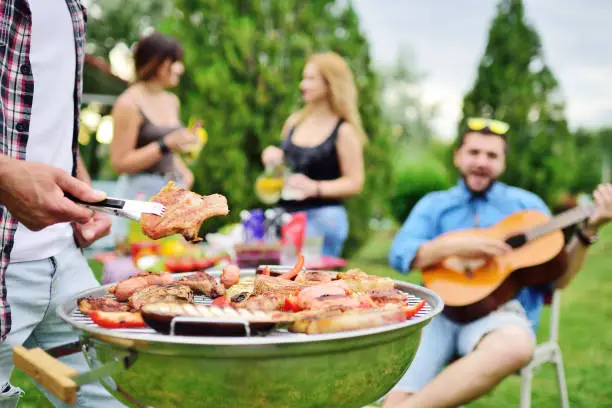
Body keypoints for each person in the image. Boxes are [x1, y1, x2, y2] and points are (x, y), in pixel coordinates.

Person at [383, 118, 612, 408]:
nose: (482, 162)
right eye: (474, 152)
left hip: (499, 315)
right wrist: (454, 245)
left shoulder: (527, 207)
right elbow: (399, 254)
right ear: (458, 156)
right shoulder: (434, 204)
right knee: (396, 397)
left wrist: (589, 230)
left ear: (503, 162)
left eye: (492, 155)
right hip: (437, 313)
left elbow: (559, 279)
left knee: (516, 346)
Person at [0, 1, 127, 407]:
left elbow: (48, 117)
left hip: (65, 262)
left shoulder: (70, 5)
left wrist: (80, 183)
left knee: (116, 398)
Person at [260, 52, 366, 257]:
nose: (302, 85)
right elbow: (285, 171)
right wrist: (273, 158)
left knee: (303, 278)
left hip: (323, 218)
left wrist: (315, 188)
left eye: (310, 79)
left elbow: (355, 182)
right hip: (286, 217)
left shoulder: (343, 130)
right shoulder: (294, 122)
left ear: (330, 83)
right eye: (303, 78)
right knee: (279, 279)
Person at [110, 32, 198, 241]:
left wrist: (185, 173)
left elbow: (168, 152)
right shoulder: (128, 103)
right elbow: (120, 162)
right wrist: (165, 144)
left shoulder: (171, 100)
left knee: (173, 265)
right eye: (174, 61)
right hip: (140, 199)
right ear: (157, 63)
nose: (180, 68)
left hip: (170, 198)